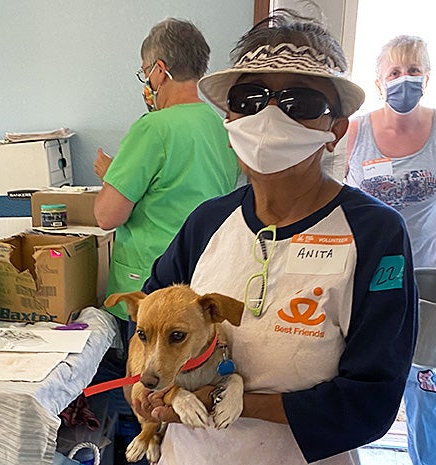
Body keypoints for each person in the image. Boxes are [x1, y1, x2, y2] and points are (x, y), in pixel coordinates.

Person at [129, 9, 418, 465]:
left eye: (299, 104)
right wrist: (140, 387)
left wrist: (232, 402)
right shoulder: (206, 224)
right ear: (228, 122)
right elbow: (144, 325)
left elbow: (372, 400)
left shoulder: (374, 234)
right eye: (249, 99)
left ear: (334, 131)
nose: (267, 117)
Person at [345, 35, 436, 465]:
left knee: (421, 379)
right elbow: (333, 198)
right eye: (395, 73)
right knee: (354, 374)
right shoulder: (355, 130)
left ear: (428, 77)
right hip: (362, 276)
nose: (405, 80)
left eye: (413, 71)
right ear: (379, 83)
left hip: (423, 277)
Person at [94, 18, 241, 323]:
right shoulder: (221, 126)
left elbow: (107, 216)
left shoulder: (154, 128)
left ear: (159, 70)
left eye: (144, 72)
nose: (146, 82)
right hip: (201, 283)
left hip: (151, 287)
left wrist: (111, 177)